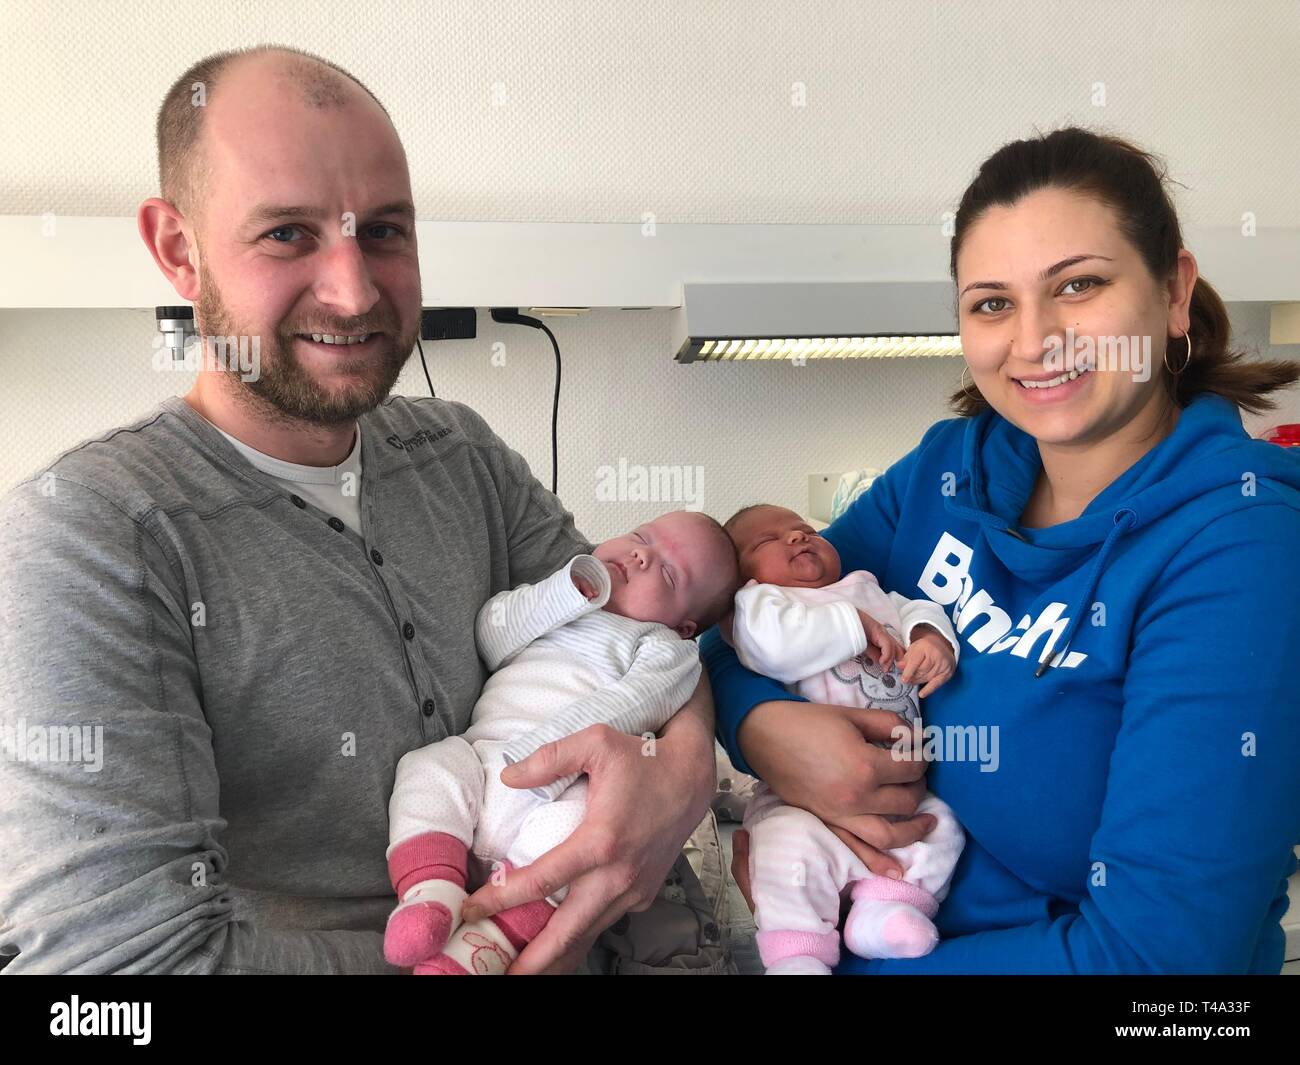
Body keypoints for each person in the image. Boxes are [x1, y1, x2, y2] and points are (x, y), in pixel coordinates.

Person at [0, 45, 721, 975]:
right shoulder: (94, 540)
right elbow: (109, 978)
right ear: (179, 250)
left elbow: (641, 627)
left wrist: (687, 772)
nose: (354, 290)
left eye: (382, 231)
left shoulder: (463, 459)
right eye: (288, 235)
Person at [703, 127, 1300, 974]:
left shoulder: (1240, 546)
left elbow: (1162, 965)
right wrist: (770, 732)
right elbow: (733, 625)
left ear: (1174, 293)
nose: (1035, 339)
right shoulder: (946, 478)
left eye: (1079, 285)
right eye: (993, 302)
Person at [385, 511, 739, 974]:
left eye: (668, 573)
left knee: (577, 831)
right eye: (640, 537)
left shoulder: (664, 647)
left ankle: (484, 944)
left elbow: (634, 703)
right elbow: (492, 636)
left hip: (562, 785)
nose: (640, 556)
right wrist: (564, 593)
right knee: (428, 766)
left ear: (685, 626)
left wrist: (549, 757)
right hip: (485, 758)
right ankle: (430, 890)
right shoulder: (561, 601)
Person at [720, 504, 964, 974]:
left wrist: (929, 637)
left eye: (804, 530)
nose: (795, 538)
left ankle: (884, 910)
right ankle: (798, 954)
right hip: (799, 795)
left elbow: (916, 608)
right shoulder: (759, 605)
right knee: (782, 849)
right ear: (740, 578)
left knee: (942, 827)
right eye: (767, 541)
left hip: (899, 789)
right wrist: (856, 625)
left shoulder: (867, 587)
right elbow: (770, 645)